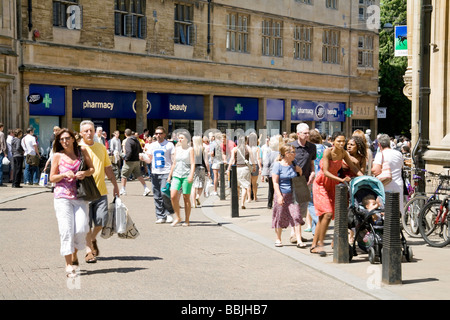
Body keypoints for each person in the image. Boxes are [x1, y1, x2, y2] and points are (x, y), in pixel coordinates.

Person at [49, 128, 95, 277]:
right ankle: (69, 264)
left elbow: (92, 169)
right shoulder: (57, 156)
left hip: (80, 196)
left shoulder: (82, 152)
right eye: (61, 140)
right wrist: (63, 174)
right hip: (62, 197)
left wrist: (84, 173)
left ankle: (74, 252)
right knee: (66, 231)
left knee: (81, 228)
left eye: (67, 138)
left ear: (73, 138)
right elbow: (52, 178)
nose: (64, 142)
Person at [311, 131, 363, 257]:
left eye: (343, 141)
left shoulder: (343, 153)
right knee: (327, 214)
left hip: (332, 185)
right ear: (332, 141)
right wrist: (341, 180)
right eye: (339, 141)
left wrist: (364, 177)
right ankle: (320, 244)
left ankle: (314, 245)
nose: (341, 143)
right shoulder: (327, 152)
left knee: (324, 217)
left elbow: (353, 168)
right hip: (321, 183)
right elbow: (326, 171)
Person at [79, 120, 120, 264]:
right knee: (85, 224)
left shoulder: (101, 147)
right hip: (83, 193)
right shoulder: (77, 149)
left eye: (91, 130)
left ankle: (92, 239)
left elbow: (108, 168)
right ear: (81, 133)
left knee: (101, 221)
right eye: (86, 131)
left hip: (101, 191)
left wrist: (115, 185)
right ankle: (89, 252)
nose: (89, 133)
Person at [272, 144, 305, 248]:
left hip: (294, 194)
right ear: (286, 154)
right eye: (293, 152)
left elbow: (299, 176)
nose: (295, 154)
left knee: (296, 216)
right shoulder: (278, 165)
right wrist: (279, 196)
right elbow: (275, 182)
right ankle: (278, 238)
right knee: (280, 216)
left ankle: (299, 240)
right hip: (282, 193)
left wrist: (300, 171)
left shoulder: (294, 163)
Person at [141, 126, 175, 224]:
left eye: (160, 133)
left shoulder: (169, 145)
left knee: (165, 193)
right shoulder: (152, 145)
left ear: (164, 134)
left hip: (166, 172)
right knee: (157, 195)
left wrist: (171, 174)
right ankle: (160, 215)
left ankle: (169, 213)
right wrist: (143, 158)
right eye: (156, 133)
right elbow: (149, 160)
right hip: (155, 173)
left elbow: (173, 161)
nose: (158, 135)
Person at [289, 123, 316, 244]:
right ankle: (293, 234)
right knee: (295, 207)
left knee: (303, 208)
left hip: (306, 180)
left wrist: (313, 173)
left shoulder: (312, 147)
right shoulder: (291, 146)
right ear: (298, 134)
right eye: (305, 133)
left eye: (308, 132)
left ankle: (297, 233)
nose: (307, 135)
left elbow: (311, 162)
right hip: (294, 180)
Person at [167, 131, 195, 226]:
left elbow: (192, 163)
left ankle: (187, 220)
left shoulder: (190, 149)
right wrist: (169, 175)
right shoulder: (177, 149)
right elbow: (174, 163)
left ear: (187, 139)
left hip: (186, 175)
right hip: (176, 174)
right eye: (179, 138)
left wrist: (191, 175)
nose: (180, 139)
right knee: (173, 196)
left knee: (186, 197)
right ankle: (178, 217)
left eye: (182, 138)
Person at [372, 134, 405, 212]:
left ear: (379, 144)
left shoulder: (380, 154)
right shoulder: (398, 153)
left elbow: (376, 170)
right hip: (398, 184)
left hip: (386, 184)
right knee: (398, 208)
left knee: (387, 209)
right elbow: (401, 166)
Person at [119, 128, 151, 196]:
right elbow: (140, 150)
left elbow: (129, 151)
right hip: (136, 160)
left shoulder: (128, 141)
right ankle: (146, 188)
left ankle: (123, 190)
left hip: (129, 161)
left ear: (125, 134)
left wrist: (126, 158)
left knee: (124, 175)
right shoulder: (136, 140)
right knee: (139, 175)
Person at [227, 135, 256, 209]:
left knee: (237, 186)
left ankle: (236, 202)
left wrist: (228, 168)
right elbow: (252, 159)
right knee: (245, 186)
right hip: (245, 168)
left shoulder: (235, 149)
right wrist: (254, 166)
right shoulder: (248, 148)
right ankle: (242, 203)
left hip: (237, 169)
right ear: (246, 141)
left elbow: (232, 160)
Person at [261, 135, 281, 209]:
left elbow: (266, 165)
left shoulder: (269, 154)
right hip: (279, 173)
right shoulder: (280, 154)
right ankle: (277, 203)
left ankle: (269, 204)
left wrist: (264, 175)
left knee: (270, 189)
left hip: (271, 174)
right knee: (278, 188)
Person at [191, 135, 210, 208]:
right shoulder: (203, 149)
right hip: (202, 167)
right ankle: (198, 196)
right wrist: (208, 170)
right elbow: (206, 161)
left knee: (193, 186)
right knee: (201, 183)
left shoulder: (191, 149)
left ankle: (193, 203)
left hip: (194, 168)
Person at [248, 132, 261, 201]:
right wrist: (260, 168)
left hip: (248, 165)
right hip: (255, 165)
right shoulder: (257, 148)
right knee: (254, 183)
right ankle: (255, 197)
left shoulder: (247, 148)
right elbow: (258, 159)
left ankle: (249, 197)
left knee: (248, 183)